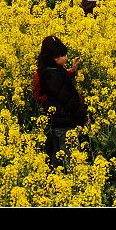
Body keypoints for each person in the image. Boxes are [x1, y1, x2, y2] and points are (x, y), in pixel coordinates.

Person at [36, 35, 88, 168]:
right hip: (65, 122)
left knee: (57, 156)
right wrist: (83, 117)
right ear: (54, 58)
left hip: (55, 121)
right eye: (62, 55)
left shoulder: (45, 72)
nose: (65, 58)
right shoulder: (54, 76)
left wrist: (71, 71)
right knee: (72, 160)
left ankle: (54, 181)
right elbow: (66, 98)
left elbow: (57, 83)